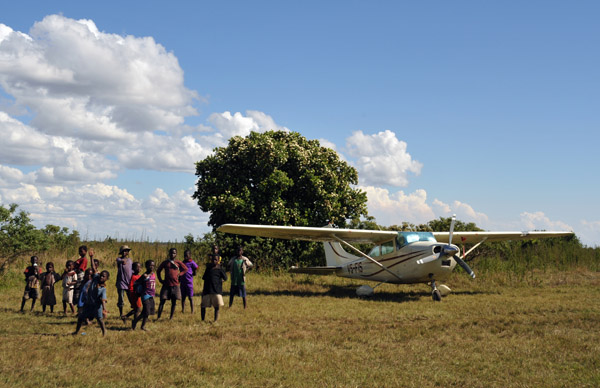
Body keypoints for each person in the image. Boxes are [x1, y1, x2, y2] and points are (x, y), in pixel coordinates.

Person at [73, 270, 110, 337]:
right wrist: (92, 259)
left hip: (96, 306)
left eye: (103, 276)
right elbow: (94, 269)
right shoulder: (95, 278)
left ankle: (104, 332)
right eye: (101, 275)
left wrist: (104, 309)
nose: (101, 277)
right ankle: (76, 331)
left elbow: (103, 299)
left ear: (106, 279)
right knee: (80, 318)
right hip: (88, 304)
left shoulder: (103, 288)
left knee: (100, 319)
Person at [156, 248, 188, 320]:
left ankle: (171, 317)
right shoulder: (165, 262)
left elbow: (186, 269)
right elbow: (158, 270)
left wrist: (180, 274)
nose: (172, 254)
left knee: (173, 302)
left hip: (175, 285)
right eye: (171, 253)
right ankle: (158, 316)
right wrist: (160, 280)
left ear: (176, 254)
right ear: (169, 254)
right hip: (166, 285)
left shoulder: (178, 262)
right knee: (162, 301)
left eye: (174, 253)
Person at [201, 255, 227, 322]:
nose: (214, 261)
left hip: (216, 290)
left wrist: (220, 282)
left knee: (216, 306)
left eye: (215, 260)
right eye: (212, 260)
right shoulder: (208, 268)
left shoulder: (220, 269)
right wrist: (203, 290)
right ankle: (202, 319)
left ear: (218, 261)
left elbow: (225, 278)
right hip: (207, 290)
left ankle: (215, 320)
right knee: (203, 306)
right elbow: (204, 278)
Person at [132, 260, 156, 331]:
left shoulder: (153, 274)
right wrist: (138, 291)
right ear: (146, 267)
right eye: (150, 265)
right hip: (145, 295)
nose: (152, 267)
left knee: (146, 312)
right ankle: (135, 321)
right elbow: (136, 283)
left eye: (153, 265)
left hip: (151, 295)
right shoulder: (144, 275)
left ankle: (142, 326)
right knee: (146, 311)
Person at [115, 245, 133, 318]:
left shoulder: (130, 260)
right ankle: (121, 313)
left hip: (129, 282)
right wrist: (122, 261)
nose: (126, 252)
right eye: (124, 251)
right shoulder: (119, 260)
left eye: (127, 251)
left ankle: (133, 311)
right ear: (121, 252)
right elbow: (118, 260)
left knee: (131, 297)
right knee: (121, 298)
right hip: (121, 282)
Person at [180, 249, 199, 313]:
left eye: (187, 255)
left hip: (189, 282)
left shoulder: (191, 262)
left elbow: (196, 268)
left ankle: (192, 311)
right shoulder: (182, 262)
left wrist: (194, 273)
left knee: (190, 297)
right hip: (183, 282)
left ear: (190, 255)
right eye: (184, 255)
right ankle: (183, 310)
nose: (185, 256)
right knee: (183, 297)